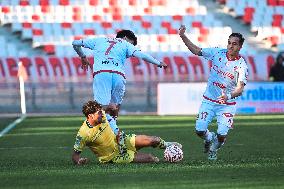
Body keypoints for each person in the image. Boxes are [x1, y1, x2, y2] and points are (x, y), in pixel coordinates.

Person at [72, 30, 167, 137]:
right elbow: (141, 55)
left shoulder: (99, 40)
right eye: (132, 43)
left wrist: (83, 56)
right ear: (125, 37)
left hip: (102, 74)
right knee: (115, 108)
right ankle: (115, 133)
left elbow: (75, 43)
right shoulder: (126, 44)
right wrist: (158, 63)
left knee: (100, 109)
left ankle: (109, 134)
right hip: (118, 75)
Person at [178, 25, 248, 160]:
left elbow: (240, 89)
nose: (230, 46)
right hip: (209, 100)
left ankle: (214, 149)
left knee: (222, 134)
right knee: (199, 130)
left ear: (240, 47)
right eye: (229, 43)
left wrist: (227, 96)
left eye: (234, 44)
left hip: (227, 104)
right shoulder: (217, 53)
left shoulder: (241, 65)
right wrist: (183, 36)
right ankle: (209, 138)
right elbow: (197, 50)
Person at [72, 100, 182, 165]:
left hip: (123, 141)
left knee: (154, 140)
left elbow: (111, 110)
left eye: (101, 112)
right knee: (150, 158)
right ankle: (167, 158)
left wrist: (114, 113)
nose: (102, 114)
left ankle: (168, 145)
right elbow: (75, 155)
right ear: (90, 116)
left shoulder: (102, 115)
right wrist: (78, 161)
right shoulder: (83, 133)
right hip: (114, 156)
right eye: (99, 113)